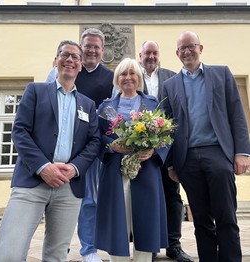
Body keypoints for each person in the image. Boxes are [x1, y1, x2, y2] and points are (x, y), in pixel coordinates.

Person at [0, 40, 101, 262]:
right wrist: (44, 167)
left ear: (80, 66)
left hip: (69, 187)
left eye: (75, 57)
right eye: (65, 55)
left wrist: (74, 168)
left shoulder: (87, 105)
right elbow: (20, 132)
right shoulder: (35, 91)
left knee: (56, 256)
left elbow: (94, 142)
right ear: (56, 61)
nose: (70, 60)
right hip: (31, 182)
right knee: (9, 254)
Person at [161, 31, 250, 262]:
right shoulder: (170, 85)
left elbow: (237, 115)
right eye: (182, 48)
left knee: (226, 216)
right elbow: (167, 129)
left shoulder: (221, 74)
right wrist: (170, 164)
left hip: (218, 153)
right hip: (187, 159)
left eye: (191, 46)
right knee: (200, 220)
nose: (187, 51)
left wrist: (242, 152)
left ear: (201, 48)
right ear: (177, 53)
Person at [45, 28, 114, 262]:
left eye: (96, 46)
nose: (91, 50)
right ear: (81, 47)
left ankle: (89, 249)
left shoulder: (110, 78)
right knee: (56, 199)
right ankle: (59, 249)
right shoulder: (65, 68)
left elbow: (113, 115)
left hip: (90, 149)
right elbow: (46, 102)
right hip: (60, 145)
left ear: (102, 51)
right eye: (88, 46)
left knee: (89, 199)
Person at [95, 57, 170, 262]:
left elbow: (166, 136)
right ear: (117, 79)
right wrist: (111, 146)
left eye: (132, 73)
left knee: (145, 223)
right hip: (114, 172)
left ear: (139, 78)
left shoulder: (152, 104)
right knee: (117, 222)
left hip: (146, 171)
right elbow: (95, 137)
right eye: (123, 74)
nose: (128, 78)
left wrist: (153, 150)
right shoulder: (105, 107)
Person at [139, 40, 194, 262]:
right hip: (140, 150)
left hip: (168, 149)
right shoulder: (131, 74)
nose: (151, 57)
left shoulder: (172, 76)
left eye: (154, 53)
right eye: (147, 53)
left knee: (172, 196)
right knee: (145, 198)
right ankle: (149, 246)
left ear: (159, 55)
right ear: (139, 55)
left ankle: (174, 245)